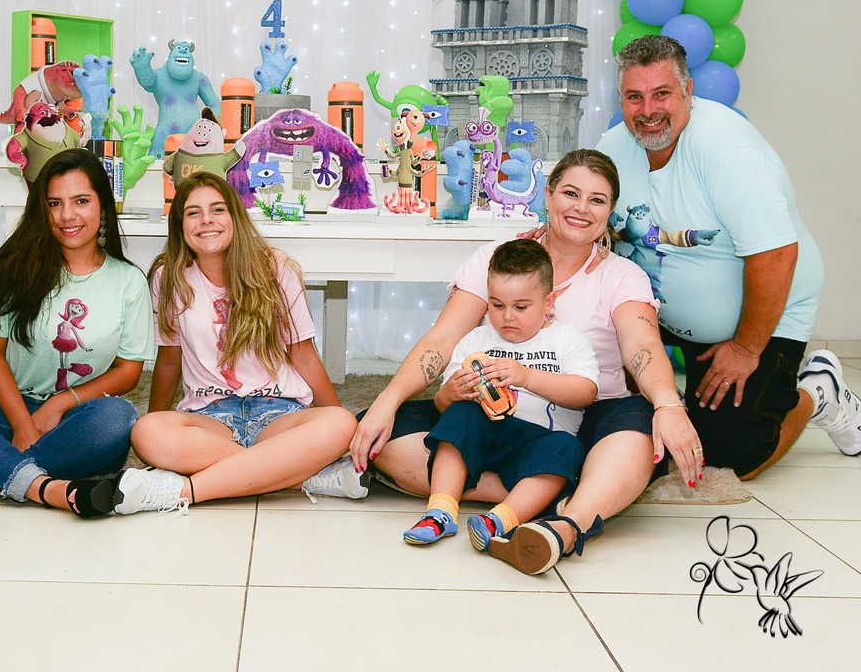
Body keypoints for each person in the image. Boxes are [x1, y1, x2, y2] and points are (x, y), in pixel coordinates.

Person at [352, 148, 701, 575]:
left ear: (610, 211)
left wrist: (668, 404)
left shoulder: (622, 275)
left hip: (586, 416)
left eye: (596, 200)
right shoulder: (499, 258)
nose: (581, 208)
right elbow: (444, 338)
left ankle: (565, 526)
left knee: (642, 431)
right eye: (570, 193)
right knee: (380, 431)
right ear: (548, 195)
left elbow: (642, 345)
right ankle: (557, 488)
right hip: (490, 415)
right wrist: (387, 402)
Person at [598, 35, 829, 475]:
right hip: (662, 315)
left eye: (662, 93)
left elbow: (777, 253)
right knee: (606, 404)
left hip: (762, 317)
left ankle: (817, 390)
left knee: (730, 455)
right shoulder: (612, 147)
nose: (648, 110)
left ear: (688, 91)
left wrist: (745, 348)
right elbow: (587, 223)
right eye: (634, 97)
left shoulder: (727, 149)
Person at [93, 171, 360, 514]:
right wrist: (157, 434)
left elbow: (303, 354)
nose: (207, 220)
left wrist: (338, 430)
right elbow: (170, 359)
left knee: (340, 423)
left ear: (235, 217)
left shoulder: (276, 268)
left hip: (279, 411)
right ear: (180, 225)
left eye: (218, 209)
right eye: (193, 212)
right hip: (210, 416)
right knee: (147, 432)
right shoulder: (168, 276)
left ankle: (185, 490)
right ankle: (298, 474)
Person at [0, 149, 149, 516]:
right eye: (55, 203)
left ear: (103, 206)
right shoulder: (12, 267)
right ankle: (45, 488)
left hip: (77, 418)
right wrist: (22, 424)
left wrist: (58, 404)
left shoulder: (128, 280)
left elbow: (128, 371)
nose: (67, 215)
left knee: (118, 418)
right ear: (42, 209)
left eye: (81, 201)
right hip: (9, 410)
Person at [403, 240, 598, 555]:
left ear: (548, 302)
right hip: (486, 434)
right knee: (459, 416)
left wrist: (528, 377)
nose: (507, 317)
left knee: (567, 449)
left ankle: (498, 521)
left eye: (521, 307)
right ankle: (440, 512)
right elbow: (441, 405)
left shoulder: (566, 339)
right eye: (497, 305)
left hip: (540, 440)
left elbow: (586, 392)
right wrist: (450, 394)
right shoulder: (476, 340)